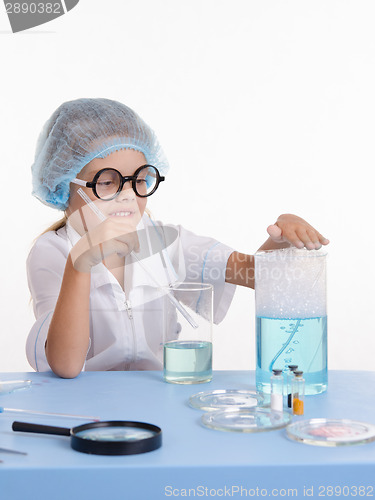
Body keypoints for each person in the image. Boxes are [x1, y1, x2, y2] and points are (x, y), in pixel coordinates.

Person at [26, 98, 329, 378]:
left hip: (159, 402)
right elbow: (65, 365)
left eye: (140, 179)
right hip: (85, 408)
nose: (128, 195)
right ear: (64, 187)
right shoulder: (52, 252)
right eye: (107, 181)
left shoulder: (164, 241)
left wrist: (281, 237)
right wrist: (81, 262)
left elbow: (258, 275)